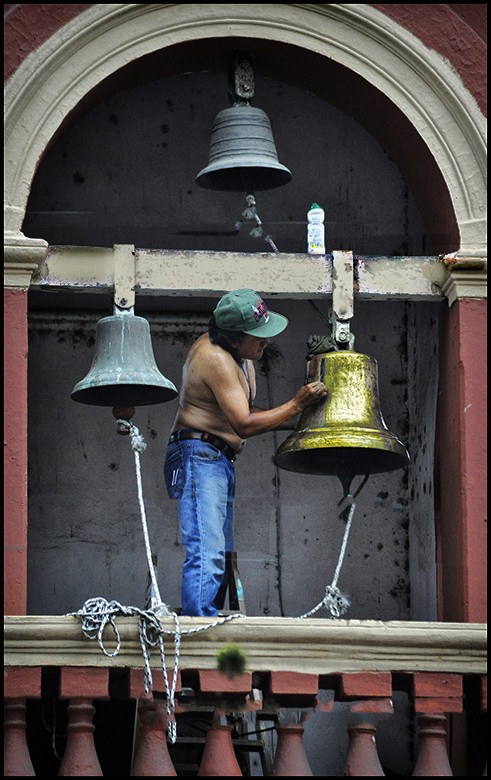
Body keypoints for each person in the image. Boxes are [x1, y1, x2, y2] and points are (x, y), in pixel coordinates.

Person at [163, 288, 328, 616]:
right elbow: (244, 424)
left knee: (223, 554)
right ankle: (197, 628)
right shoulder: (214, 358)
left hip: (218, 458)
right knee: (208, 550)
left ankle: (208, 617)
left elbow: (244, 411)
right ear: (233, 338)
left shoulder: (243, 357)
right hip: (198, 454)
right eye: (258, 337)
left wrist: (300, 423)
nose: (266, 342)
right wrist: (296, 405)